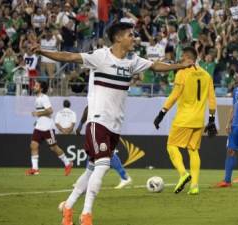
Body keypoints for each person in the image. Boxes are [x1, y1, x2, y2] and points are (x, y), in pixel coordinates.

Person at [31, 22, 194, 225]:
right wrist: (41, 51)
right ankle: (86, 215)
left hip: (115, 126)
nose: (134, 38)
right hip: (98, 121)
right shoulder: (100, 56)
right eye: (130, 35)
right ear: (118, 38)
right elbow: (69, 57)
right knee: (103, 165)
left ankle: (69, 209)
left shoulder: (132, 62)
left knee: (91, 169)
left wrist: (181, 65)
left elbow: (156, 66)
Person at [153, 47, 217, 195]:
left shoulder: (182, 73)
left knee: (171, 145)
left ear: (189, 58)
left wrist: (161, 113)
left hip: (184, 118)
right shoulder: (207, 75)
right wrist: (211, 120)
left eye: (182, 57)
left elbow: (175, 95)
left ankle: (183, 174)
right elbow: (212, 100)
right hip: (199, 120)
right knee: (193, 150)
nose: (180, 60)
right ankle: (194, 185)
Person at [76, 105, 133, 189]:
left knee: (106, 152)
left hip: (102, 125)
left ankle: (124, 177)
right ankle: (87, 179)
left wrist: (80, 125)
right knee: (98, 151)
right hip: (107, 123)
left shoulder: (97, 96)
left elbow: (87, 109)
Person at [26, 80, 73, 176]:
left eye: (36, 85)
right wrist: (38, 120)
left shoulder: (44, 98)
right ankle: (35, 169)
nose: (34, 87)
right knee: (33, 145)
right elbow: (43, 113)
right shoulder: (37, 98)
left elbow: (50, 110)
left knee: (54, 148)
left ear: (41, 88)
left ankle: (68, 163)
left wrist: (37, 113)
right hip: (39, 126)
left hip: (47, 127)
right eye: (35, 85)